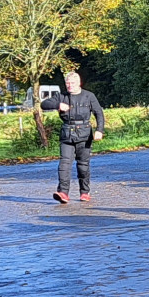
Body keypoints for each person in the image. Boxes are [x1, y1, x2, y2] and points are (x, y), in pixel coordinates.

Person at [41, 70, 106, 204]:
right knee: (64, 164)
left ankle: (85, 192)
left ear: (79, 83)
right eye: (68, 83)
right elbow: (44, 104)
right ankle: (63, 193)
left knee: (83, 165)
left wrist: (99, 130)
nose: (70, 85)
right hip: (67, 134)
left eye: (72, 83)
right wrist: (57, 105)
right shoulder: (61, 96)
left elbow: (99, 113)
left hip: (84, 134)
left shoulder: (89, 96)